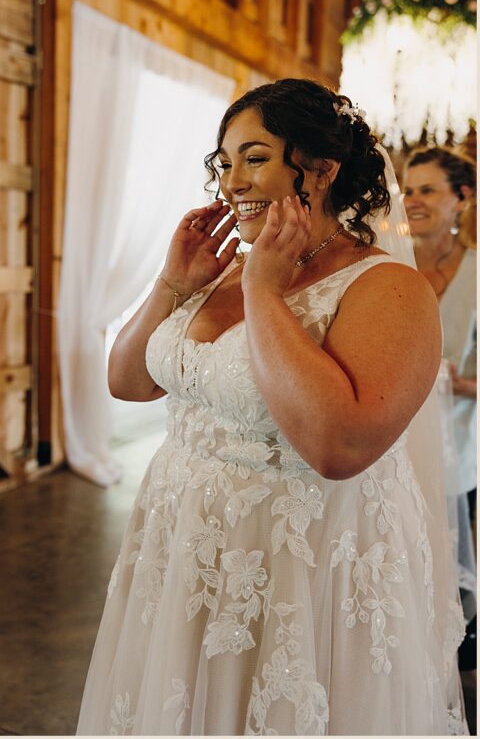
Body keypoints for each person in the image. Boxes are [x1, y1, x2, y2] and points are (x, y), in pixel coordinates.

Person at [76, 79, 467, 735]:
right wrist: (171, 284)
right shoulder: (217, 269)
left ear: (320, 166)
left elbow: (339, 446)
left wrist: (264, 291)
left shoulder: (388, 287)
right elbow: (127, 382)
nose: (231, 181)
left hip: (298, 569)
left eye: (253, 157)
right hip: (181, 554)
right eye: (223, 162)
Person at [403, 147, 477, 673]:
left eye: (428, 190)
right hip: (388, 448)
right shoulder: (387, 267)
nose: (413, 201)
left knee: (447, 575)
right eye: (408, 189)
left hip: (459, 457)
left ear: (463, 199)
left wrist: (461, 382)